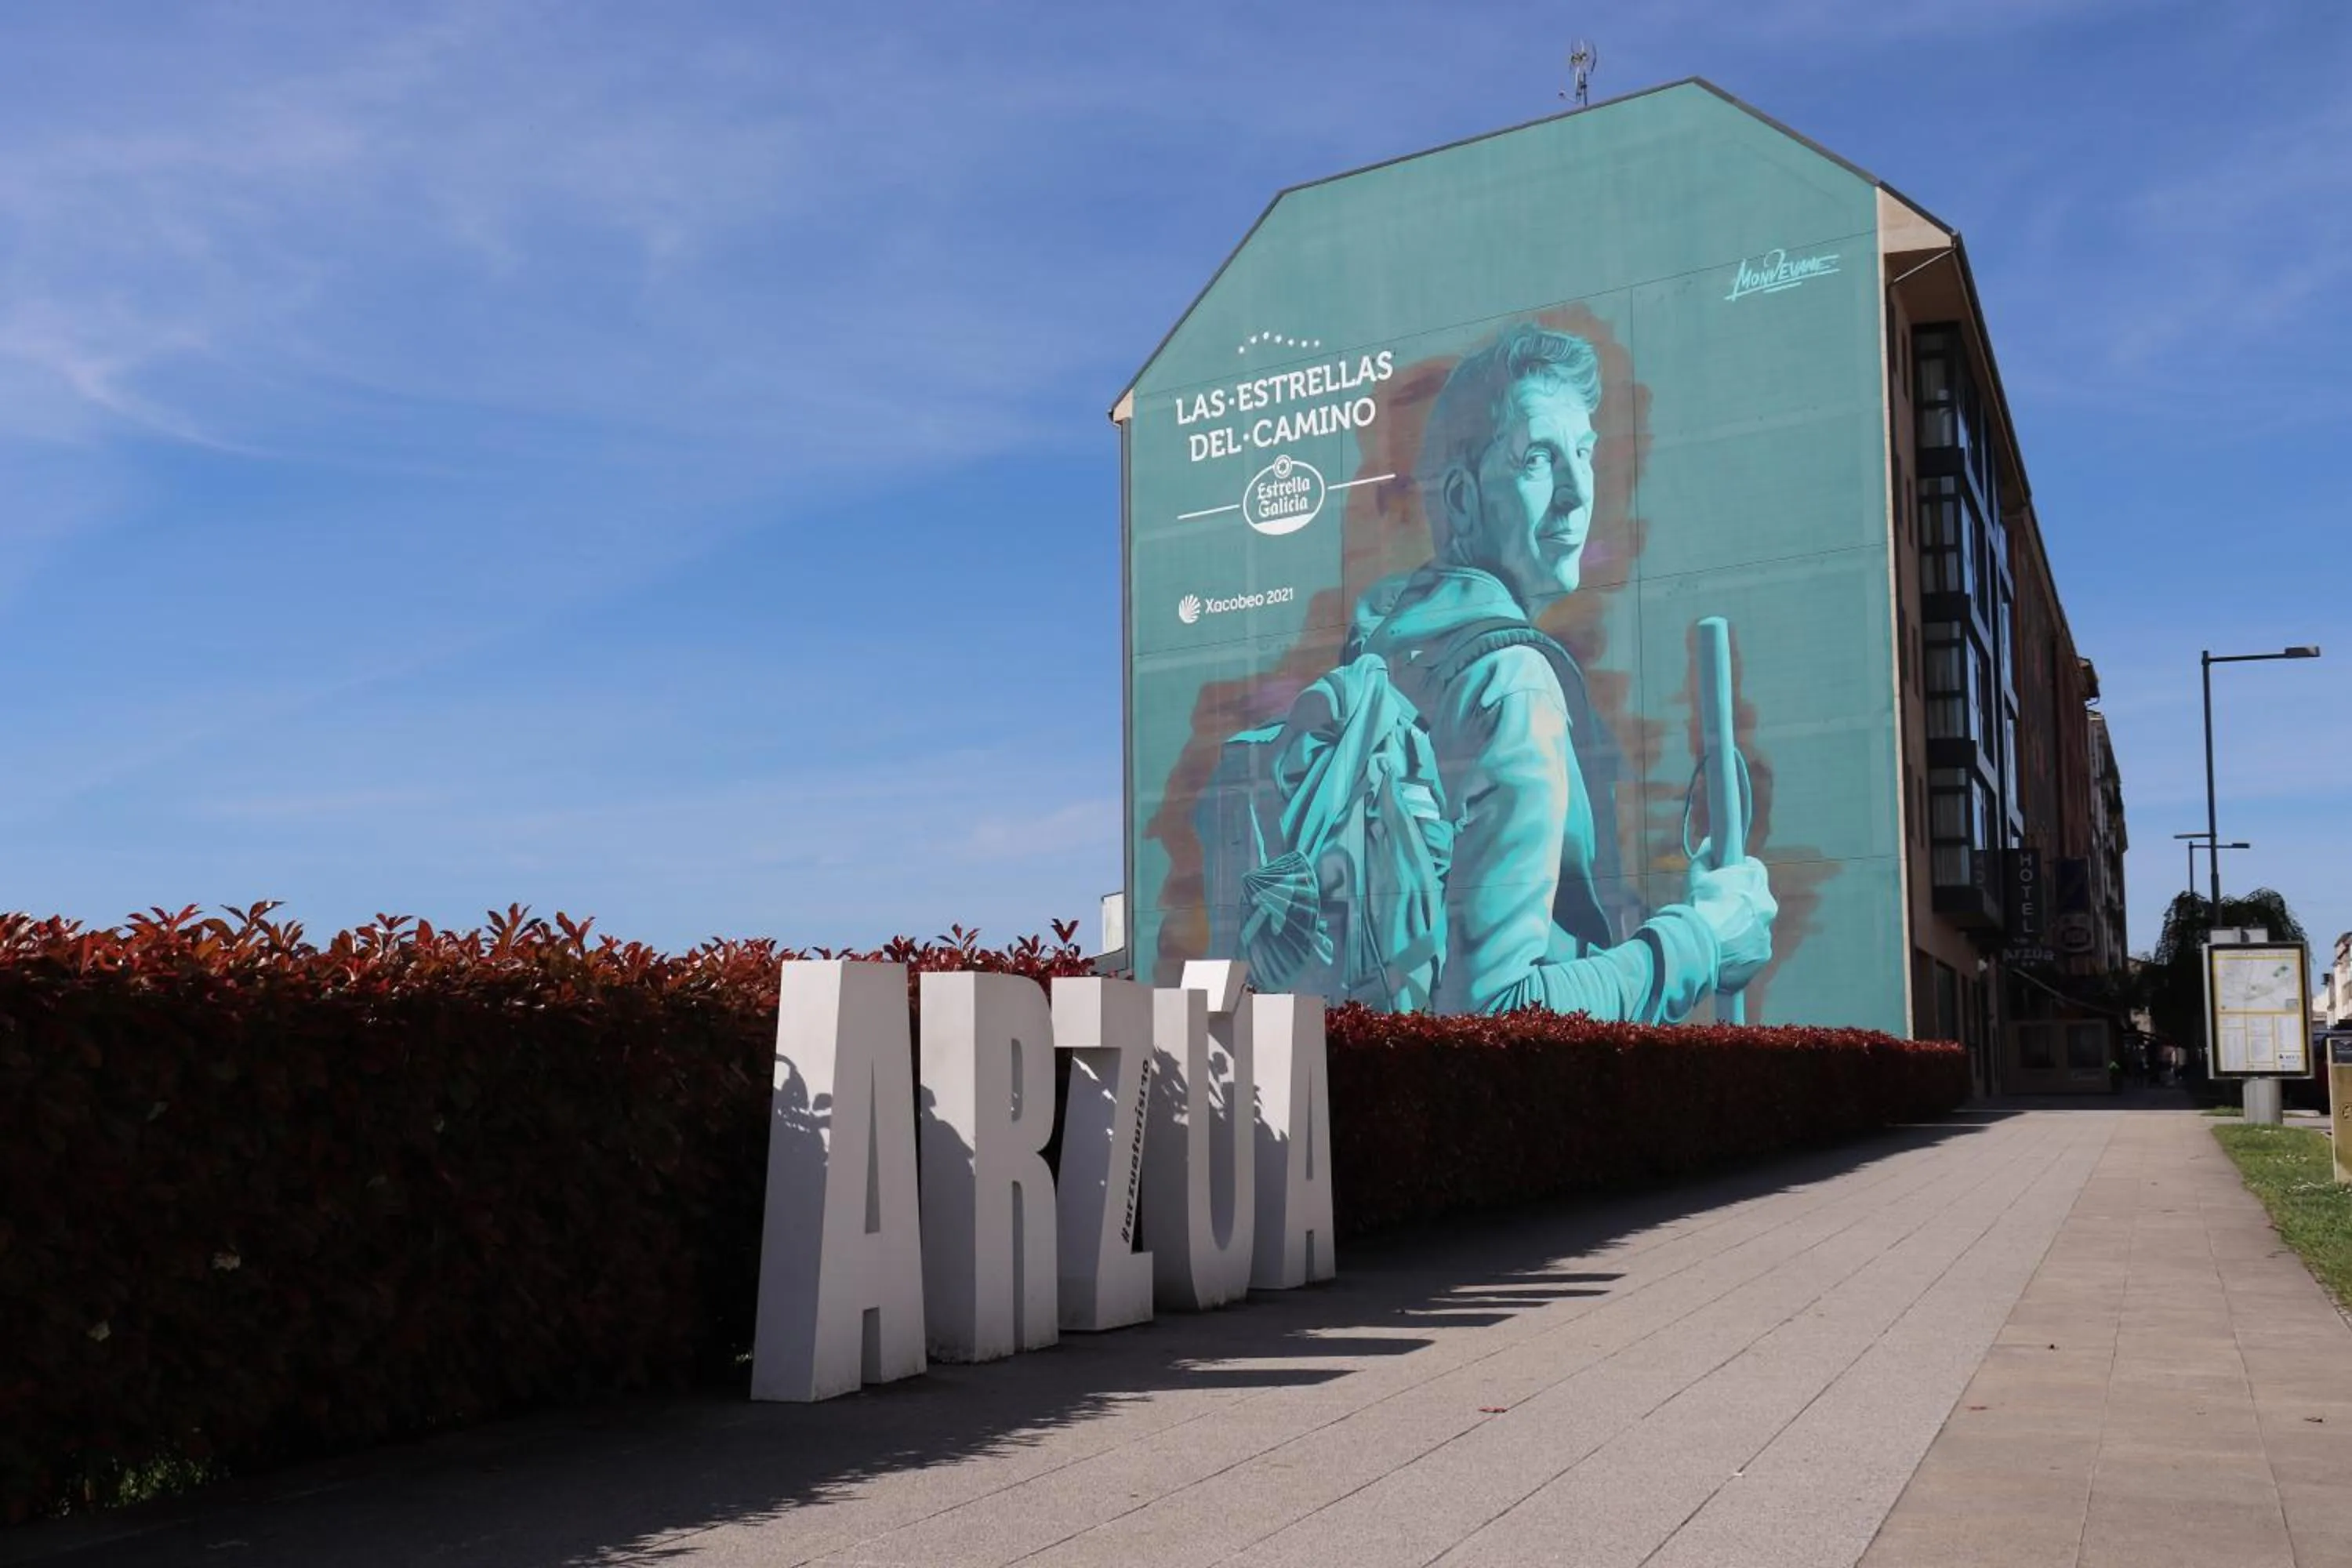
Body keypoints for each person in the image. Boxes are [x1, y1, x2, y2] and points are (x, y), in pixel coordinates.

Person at [1338, 322, 1778, 1019]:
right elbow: (1497, 1011)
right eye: (1539, 458)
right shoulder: (1510, 685)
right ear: (1462, 499)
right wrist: (1705, 941)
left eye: (1584, 453)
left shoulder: (1382, 662)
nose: (1576, 494)